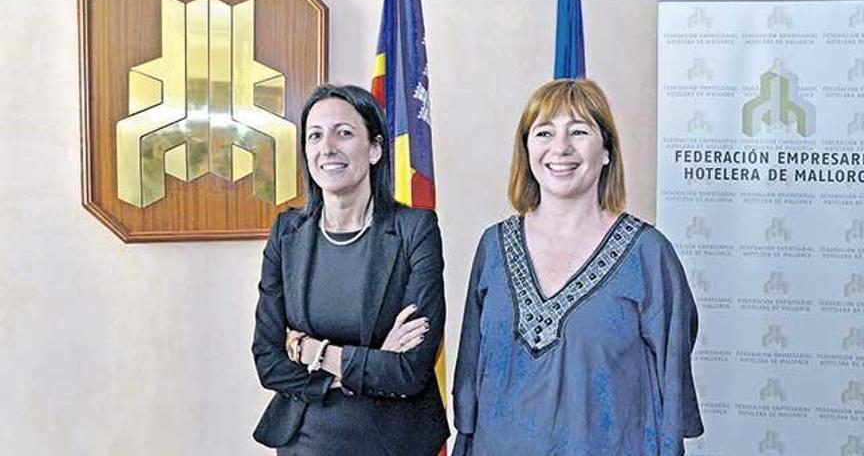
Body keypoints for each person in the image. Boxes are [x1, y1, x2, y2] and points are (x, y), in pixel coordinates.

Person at [452, 79, 703, 456]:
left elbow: (671, 387)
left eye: (579, 131)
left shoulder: (649, 255)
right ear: (527, 149)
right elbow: (470, 382)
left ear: (606, 151)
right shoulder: (493, 247)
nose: (561, 147)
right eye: (544, 132)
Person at [252, 84, 449, 456]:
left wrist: (311, 351)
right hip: (305, 439)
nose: (327, 147)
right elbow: (267, 359)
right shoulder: (286, 233)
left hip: (395, 442)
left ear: (375, 149)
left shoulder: (415, 230)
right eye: (315, 135)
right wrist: (370, 361)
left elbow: (410, 370)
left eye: (344, 132)